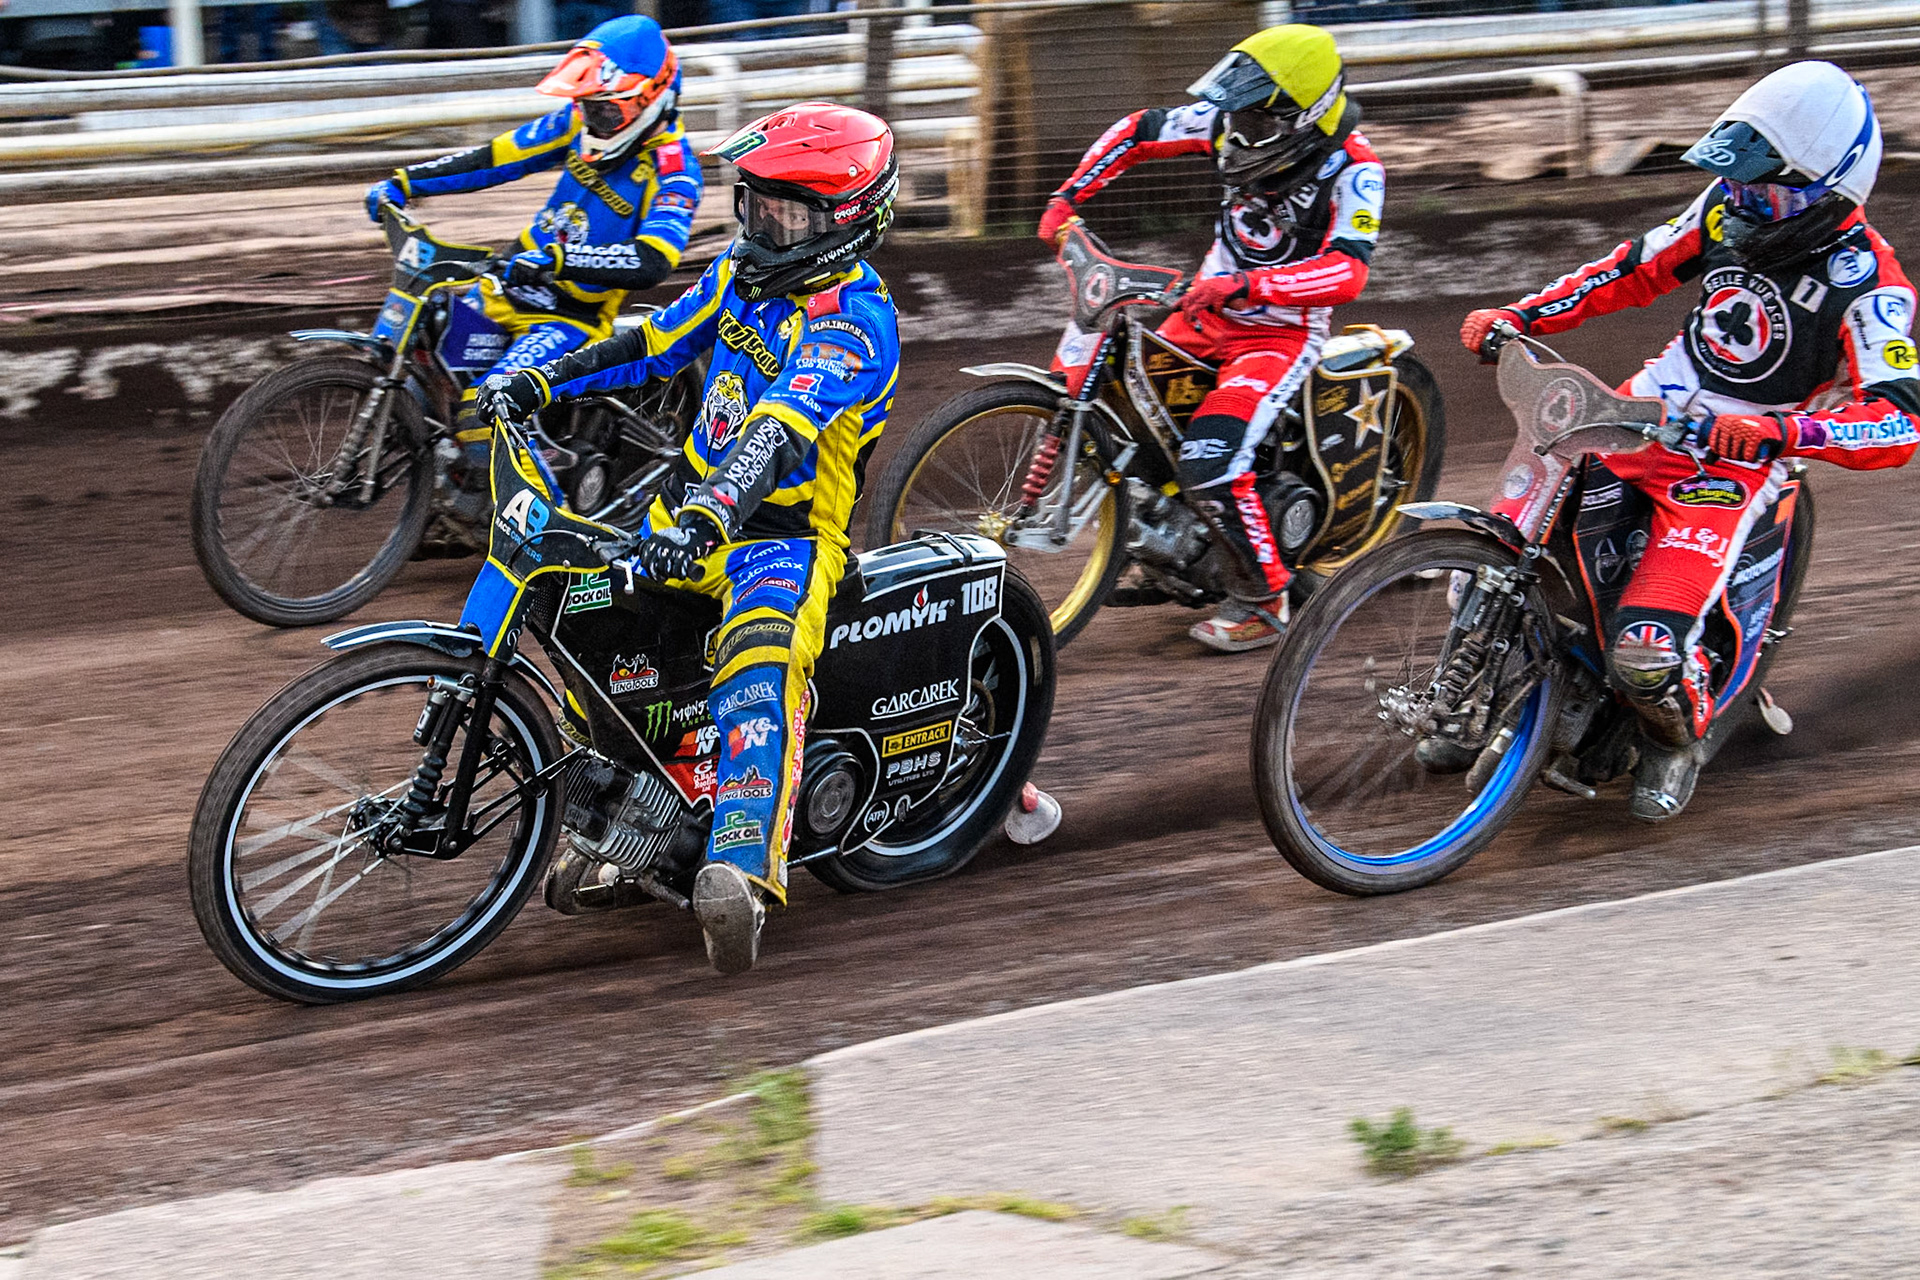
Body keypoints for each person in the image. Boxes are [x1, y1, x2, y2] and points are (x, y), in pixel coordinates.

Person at [479, 102, 901, 975]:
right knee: (577, 623)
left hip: (781, 543)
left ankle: (741, 876)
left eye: (784, 212)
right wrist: (538, 379)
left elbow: (778, 428)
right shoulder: (741, 273)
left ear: (845, 219)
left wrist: (713, 513)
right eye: (754, 202)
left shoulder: (855, 319)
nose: (761, 224)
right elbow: (653, 343)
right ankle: (646, 826)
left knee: (756, 670)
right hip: (681, 519)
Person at [1459, 61, 1919, 822]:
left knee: (1644, 655)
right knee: (1495, 558)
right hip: (1639, 411)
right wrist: (1523, 315)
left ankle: (1677, 736)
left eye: (1765, 188)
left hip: (1733, 464)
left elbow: (1898, 423)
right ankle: (1479, 689)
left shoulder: (1872, 284)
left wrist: (1777, 432)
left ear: (1831, 190)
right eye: (1735, 179)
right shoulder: (1722, 210)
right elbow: (1631, 270)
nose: (1742, 199)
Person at [1035, 23, 1384, 652]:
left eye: (1253, 118)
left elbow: (1348, 270)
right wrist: (1068, 196)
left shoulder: (1356, 169)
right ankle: (1167, 547)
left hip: (1277, 337)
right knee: (1130, 407)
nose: (1234, 130)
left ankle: (1265, 598)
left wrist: (1251, 285)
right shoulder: (1227, 122)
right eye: (1235, 113)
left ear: (1301, 116)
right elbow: (1140, 130)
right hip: (1203, 313)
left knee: (1210, 461)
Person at [363, 14, 700, 490]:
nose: (592, 118)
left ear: (649, 99)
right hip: (508, 285)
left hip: (568, 317)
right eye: (586, 105)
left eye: (604, 109)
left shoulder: (675, 171)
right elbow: (495, 158)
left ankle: (545, 506)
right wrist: (405, 182)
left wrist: (560, 262)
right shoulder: (577, 122)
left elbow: (653, 260)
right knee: (426, 346)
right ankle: (446, 491)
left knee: (486, 406)